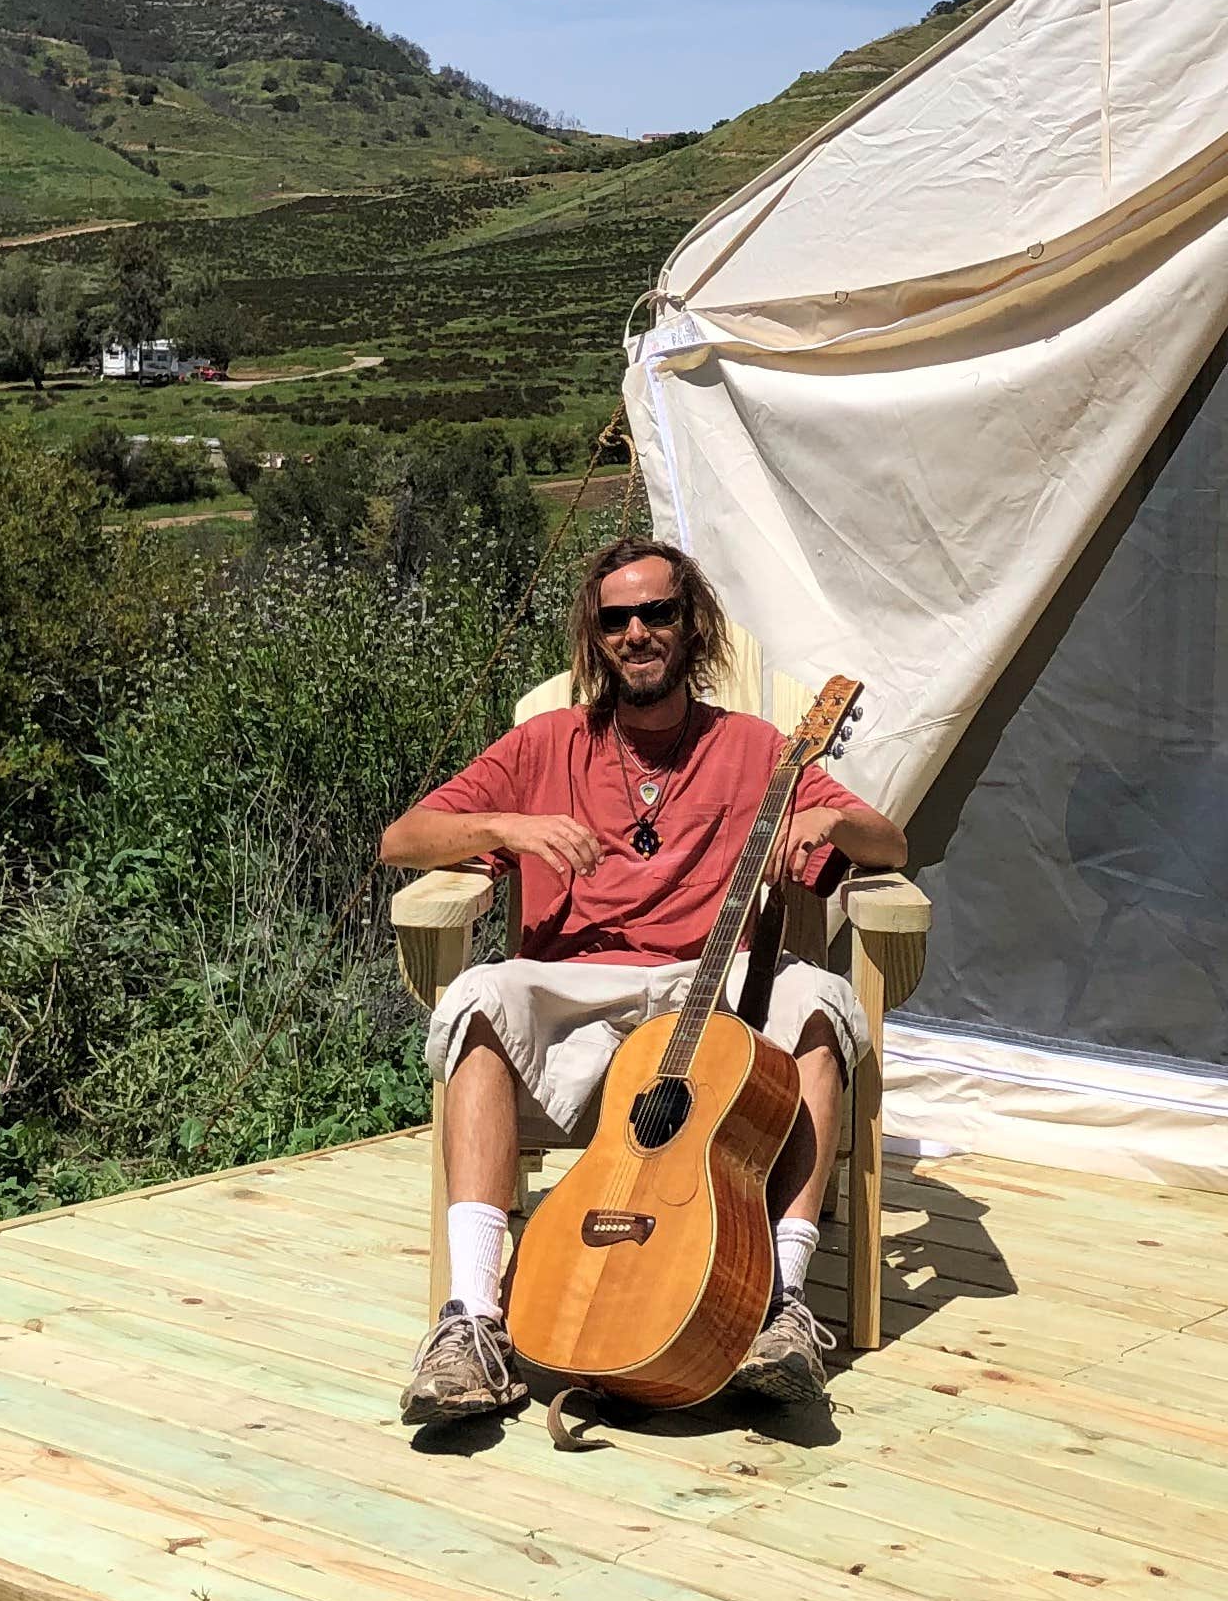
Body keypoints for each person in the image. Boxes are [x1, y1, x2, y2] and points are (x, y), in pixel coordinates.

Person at [376, 537, 910, 1427]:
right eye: (615, 618)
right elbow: (403, 840)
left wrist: (826, 817)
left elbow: (886, 844)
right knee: (478, 998)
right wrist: (510, 826)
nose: (636, 633)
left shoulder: (755, 749)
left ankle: (779, 1306)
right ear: (595, 637)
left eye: (655, 612)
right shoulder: (546, 742)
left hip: (717, 989)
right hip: (574, 986)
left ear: (689, 625)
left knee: (818, 1003)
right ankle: (471, 1319)